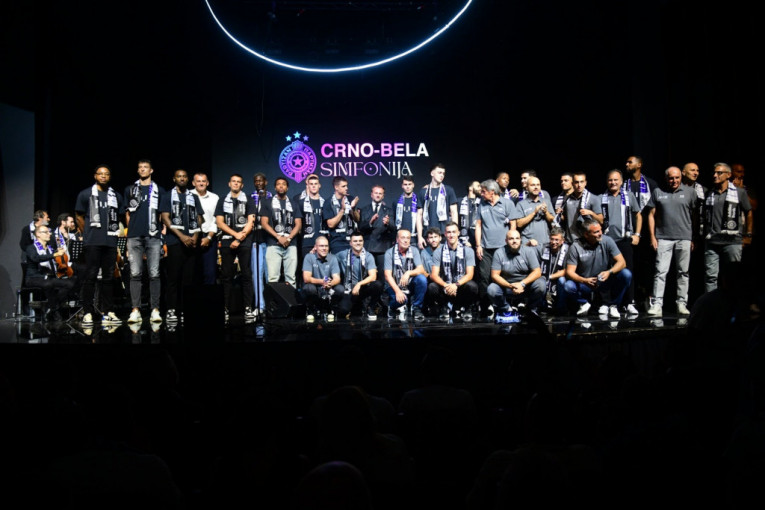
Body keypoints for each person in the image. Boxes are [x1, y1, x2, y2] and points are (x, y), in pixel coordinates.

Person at [645, 166, 698, 317]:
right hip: (663, 238)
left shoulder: (690, 192)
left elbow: (695, 216)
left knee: (683, 272)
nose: (674, 181)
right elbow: (651, 215)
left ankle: (681, 303)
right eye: (671, 178)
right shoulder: (658, 191)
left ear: (681, 177)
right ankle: (657, 305)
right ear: (666, 178)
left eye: (677, 177)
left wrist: (693, 237)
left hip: (684, 237)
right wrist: (652, 237)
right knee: (660, 272)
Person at [74, 165, 124, 326]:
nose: (103, 176)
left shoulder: (116, 196)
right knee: (91, 276)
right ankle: (87, 312)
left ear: (110, 177)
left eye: (106, 174)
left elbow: (119, 217)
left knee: (108, 278)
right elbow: (79, 217)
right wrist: (87, 234)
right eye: (100, 174)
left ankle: (108, 312)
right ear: (95, 176)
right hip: (93, 242)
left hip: (110, 241)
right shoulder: (85, 194)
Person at [123, 159, 165, 324]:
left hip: (153, 236)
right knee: (135, 274)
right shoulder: (130, 189)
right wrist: (130, 230)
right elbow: (127, 213)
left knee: (154, 273)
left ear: (151, 170)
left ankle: (155, 309)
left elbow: (161, 213)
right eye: (140, 167)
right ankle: (135, 310)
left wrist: (160, 231)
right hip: (134, 236)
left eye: (145, 167)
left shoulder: (159, 190)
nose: (142, 169)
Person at [563, 219, 631, 318]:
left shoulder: (607, 240)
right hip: (585, 282)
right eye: (596, 232)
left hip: (604, 280)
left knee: (626, 274)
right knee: (568, 286)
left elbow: (622, 262)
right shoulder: (575, 246)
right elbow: (569, 272)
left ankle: (613, 305)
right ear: (586, 234)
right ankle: (584, 303)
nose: (600, 233)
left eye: (600, 230)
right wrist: (584, 280)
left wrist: (609, 272)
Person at [160, 169, 203, 323]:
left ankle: (186, 309)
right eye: (179, 176)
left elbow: (199, 218)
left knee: (188, 279)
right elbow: (165, 218)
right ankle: (172, 309)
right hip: (175, 242)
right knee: (173, 278)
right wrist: (182, 236)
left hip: (191, 242)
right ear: (174, 179)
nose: (182, 178)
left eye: (184, 176)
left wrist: (195, 236)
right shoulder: (167, 196)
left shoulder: (193, 197)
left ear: (188, 179)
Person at [703, 162, 754, 292]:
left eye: (719, 173)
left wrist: (748, 235)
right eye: (714, 173)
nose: (715, 175)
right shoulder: (709, 193)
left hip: (732, 241)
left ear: (728, 175)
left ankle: (733, 302)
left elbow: (748, 211)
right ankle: (712, 302)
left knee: (733, 276)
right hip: (712, 241)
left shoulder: (739, 192)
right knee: (711, 277)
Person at [215, 173, 257, 323]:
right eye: (233, 181)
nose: (236, 184)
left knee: (246, 274)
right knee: (226, 276)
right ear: (229, 184)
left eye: (238, 182)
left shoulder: (249, 199)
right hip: (227, 241)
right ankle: (225, 308)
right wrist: (235, 235)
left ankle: (248, 308)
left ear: (242, 185)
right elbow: (220, 222)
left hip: (244, 241)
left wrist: (239, 238)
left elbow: (251, 222)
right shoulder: (222, 200)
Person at [474, 179, 518, 316]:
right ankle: (486, 305)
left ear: (492, 192)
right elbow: (478, 225)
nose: (481, 194)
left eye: (483, 191)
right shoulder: (482, 204)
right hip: (486, 248)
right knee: (484, 277)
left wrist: (511, 244)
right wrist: (478, 245)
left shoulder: (507, 204)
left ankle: (505, 304)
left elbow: (513, 225)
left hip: (503, 248)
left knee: (504, 276)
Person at [602, 170, 643, 315]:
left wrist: (637, 234)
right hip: (607, 241)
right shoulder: (601, 198)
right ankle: (607, 303)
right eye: (610, 180)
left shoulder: (628, 196)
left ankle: (629, 302)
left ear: (621, 181)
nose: (613, 183)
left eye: (616, 180)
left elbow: (638, 215)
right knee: (607, 272)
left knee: (628, 272)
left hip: (624, 240)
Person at [487, 229, 545, 322]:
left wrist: (522, 284)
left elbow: (537, 272)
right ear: (506, 241)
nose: (514, 241)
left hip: (525, 286)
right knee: (492, 289)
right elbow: (494, 275)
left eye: (517, 238)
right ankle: (506, 309)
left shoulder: (529, 251)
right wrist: (510, 286)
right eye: (511, 239)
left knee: (541, 284)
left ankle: (530, 309)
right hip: (507, 287)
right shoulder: (499, 253)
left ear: (520, 240)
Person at [427, 221, 479, 320]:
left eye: (454, 232)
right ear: (445, 234)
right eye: (449, 232)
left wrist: (455, 285)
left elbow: (470, 274)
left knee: (472, 286)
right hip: (445, 288)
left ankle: (467, 307)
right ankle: (443, 307)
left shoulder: (468, 250)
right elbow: (434, 275)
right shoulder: (438, 251)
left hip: (460, 287)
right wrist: (446, 285)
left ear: (458, 233)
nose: (451, 235)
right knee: (432, 287)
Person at [24, 225, 75, 322]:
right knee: (48, 284)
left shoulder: (50, 248)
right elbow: (36, 258)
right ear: (38, 234)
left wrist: (60, 257)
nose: (49, 234)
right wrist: (55, 254)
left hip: (48, 277)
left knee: (70, 283)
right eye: (46, 232)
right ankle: (55, 310)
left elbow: (53, 261)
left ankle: (50, 307)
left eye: (49, 232)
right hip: (34, 278)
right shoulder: (31, 248)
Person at [260, 177, 303, 286]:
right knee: (273, 278)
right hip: (273, 244)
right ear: (275, 187)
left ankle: (291, 298)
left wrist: (288, 238)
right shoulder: (267, 202)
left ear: (287, 188)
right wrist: (279, 237)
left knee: (291, 278)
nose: (281, 186)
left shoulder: (293, 203)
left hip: (291, 244)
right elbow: (264, 223)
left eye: (283, 184)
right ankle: (273, 299)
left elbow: (298, 224)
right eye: (278, 184)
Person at [337, 231, 384, 320]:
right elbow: (330, 258)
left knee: (378, 284)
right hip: (349, 289)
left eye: (360, 241)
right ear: (350, 243)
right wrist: (315, 251)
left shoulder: (368, 256)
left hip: (362, 288)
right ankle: (355, 307)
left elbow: (373, 276)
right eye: (355, 241)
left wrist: (359, 284)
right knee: (343, 310)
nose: (358, 243)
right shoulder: (342, 255)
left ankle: (371, 307)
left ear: (363, 242)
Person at [384, 229, 427, 320]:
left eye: (408, 238)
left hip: (409, 284)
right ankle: (391, 307)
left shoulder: (414, 250)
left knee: (422, 279)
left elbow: (421, 269)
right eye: (403, 237)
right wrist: (398, 291)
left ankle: (416, 308)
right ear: (397, 239)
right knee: (402, 300)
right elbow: (387, 275)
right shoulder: (389, 252)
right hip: (395, 285)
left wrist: (408, 273)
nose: (406, 240)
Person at [300, 235, 342, 322]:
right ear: (315, 247)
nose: (324, 248)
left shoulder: (333, 258)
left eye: (326, 246)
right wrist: (322, 282)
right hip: (315, 287)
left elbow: (337, 278)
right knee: (309, 288)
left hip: (327, 288)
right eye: (321, 246)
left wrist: (330, 283)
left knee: (340, 289)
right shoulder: (309, 257)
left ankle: (331, 308)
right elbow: (306, 278)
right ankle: (311, 309)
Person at [358, 184, 396, 281]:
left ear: (383, 196)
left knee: (383, 276)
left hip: (383, 248)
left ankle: (383, 290)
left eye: (380, 193)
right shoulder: (364, 209)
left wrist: (388, 223)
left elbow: (394, 228)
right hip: (368, 247)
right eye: (376, 193)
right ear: (371, 195)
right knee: (367, 276)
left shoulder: (389, 210)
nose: (378, 195)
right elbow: (360, 228)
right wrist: (370, 223)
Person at [417, 163, 458, 248]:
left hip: (444, 234)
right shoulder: (423, 192)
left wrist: (454, 233)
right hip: (428, 234)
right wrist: (419, 237)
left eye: (443, 173)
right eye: (439, 173)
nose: (442, 175)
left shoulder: (448, 190)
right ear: (432, 173)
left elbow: (454, 212)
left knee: (445, 256)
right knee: (428, 256)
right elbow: (419, 215)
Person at [530, 226, 569, 314]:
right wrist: (529, 243)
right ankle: (540, 306)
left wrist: (550, 276)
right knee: (541, 281)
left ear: (562, 240)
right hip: (544, 278)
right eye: (552, 239)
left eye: (557, 240)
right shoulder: (544, 247)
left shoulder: (567, 250)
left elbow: (567, 270)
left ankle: (560, 307)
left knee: (562, 280)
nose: (553, 242)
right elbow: (526, 251)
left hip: (558, 279)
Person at [191, 172, 219, 286]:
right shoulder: (188, 196)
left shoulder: (214, 197)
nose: (201, 183)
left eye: (203, 181)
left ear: (207, 183)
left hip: (209, 237)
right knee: (193, 272)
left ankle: (209, 297)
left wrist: (209, 237)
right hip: (191, 238)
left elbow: (216, 220)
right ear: (193, 183)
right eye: (198, 181)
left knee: (210, 272)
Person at [250, 172, 272, 316]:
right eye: (256, 181)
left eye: (261, 181)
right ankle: (260, 305)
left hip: (270, 240)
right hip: (255, 240)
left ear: (266, 182)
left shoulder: (272, 198)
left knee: (270, 275)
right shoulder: (250, 198)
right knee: (257, 274)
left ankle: (271, 305)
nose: (259, 183)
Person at [561, 171, 602, 244]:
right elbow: (566, 219)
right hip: (570, 240)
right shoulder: (567, 199)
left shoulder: (593, 198)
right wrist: (559, 214)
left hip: (587, 241)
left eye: (581, 182)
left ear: (585, 183)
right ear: (572, 183)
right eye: (576, 182)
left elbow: (601, 220)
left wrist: (591, 213)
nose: (579, 185)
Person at [323, 176, 360, 254]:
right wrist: (342, 210)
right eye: (343, 186)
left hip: (352, 241)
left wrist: (353, 209)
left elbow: (357, 219)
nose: (346, 188)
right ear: (336, 187)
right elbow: (330, 224)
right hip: (337, 243)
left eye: (346, 186)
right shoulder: (328, 202)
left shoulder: (350, 199)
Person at [294, 173, 327, 259]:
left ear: (319, 185)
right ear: (307, 186)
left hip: (323, 243)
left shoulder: (325, 203)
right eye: (311, 184)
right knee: (308, 266)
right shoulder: (301, 203)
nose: (313, 186)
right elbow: (298, 224)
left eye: (316, 184)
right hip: (307, 243)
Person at [515, 175, 555, 245]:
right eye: (533, 185)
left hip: (545, 242)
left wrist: (546, 212)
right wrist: (534, 213)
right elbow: (519, 224)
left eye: (538, 185)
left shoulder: (546, 202)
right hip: (528, 243)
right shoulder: (521, 204)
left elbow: (553, 221)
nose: (536, 187)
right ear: (527, 188)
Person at [393, 176, 418, 240]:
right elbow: (394, 218)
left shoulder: (418, 200)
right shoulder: (396, 201)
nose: (407, 187)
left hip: (415, 237)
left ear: (413, 185)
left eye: (409, 184)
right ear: (402, 186)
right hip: (401, 237)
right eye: (405, 184)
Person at [458, 180, 481, 248]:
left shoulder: (482, 202)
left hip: (478, 239)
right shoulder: (460, 201)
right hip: (463, 238)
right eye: (478, 186)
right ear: (470, 188)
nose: (480, 188)